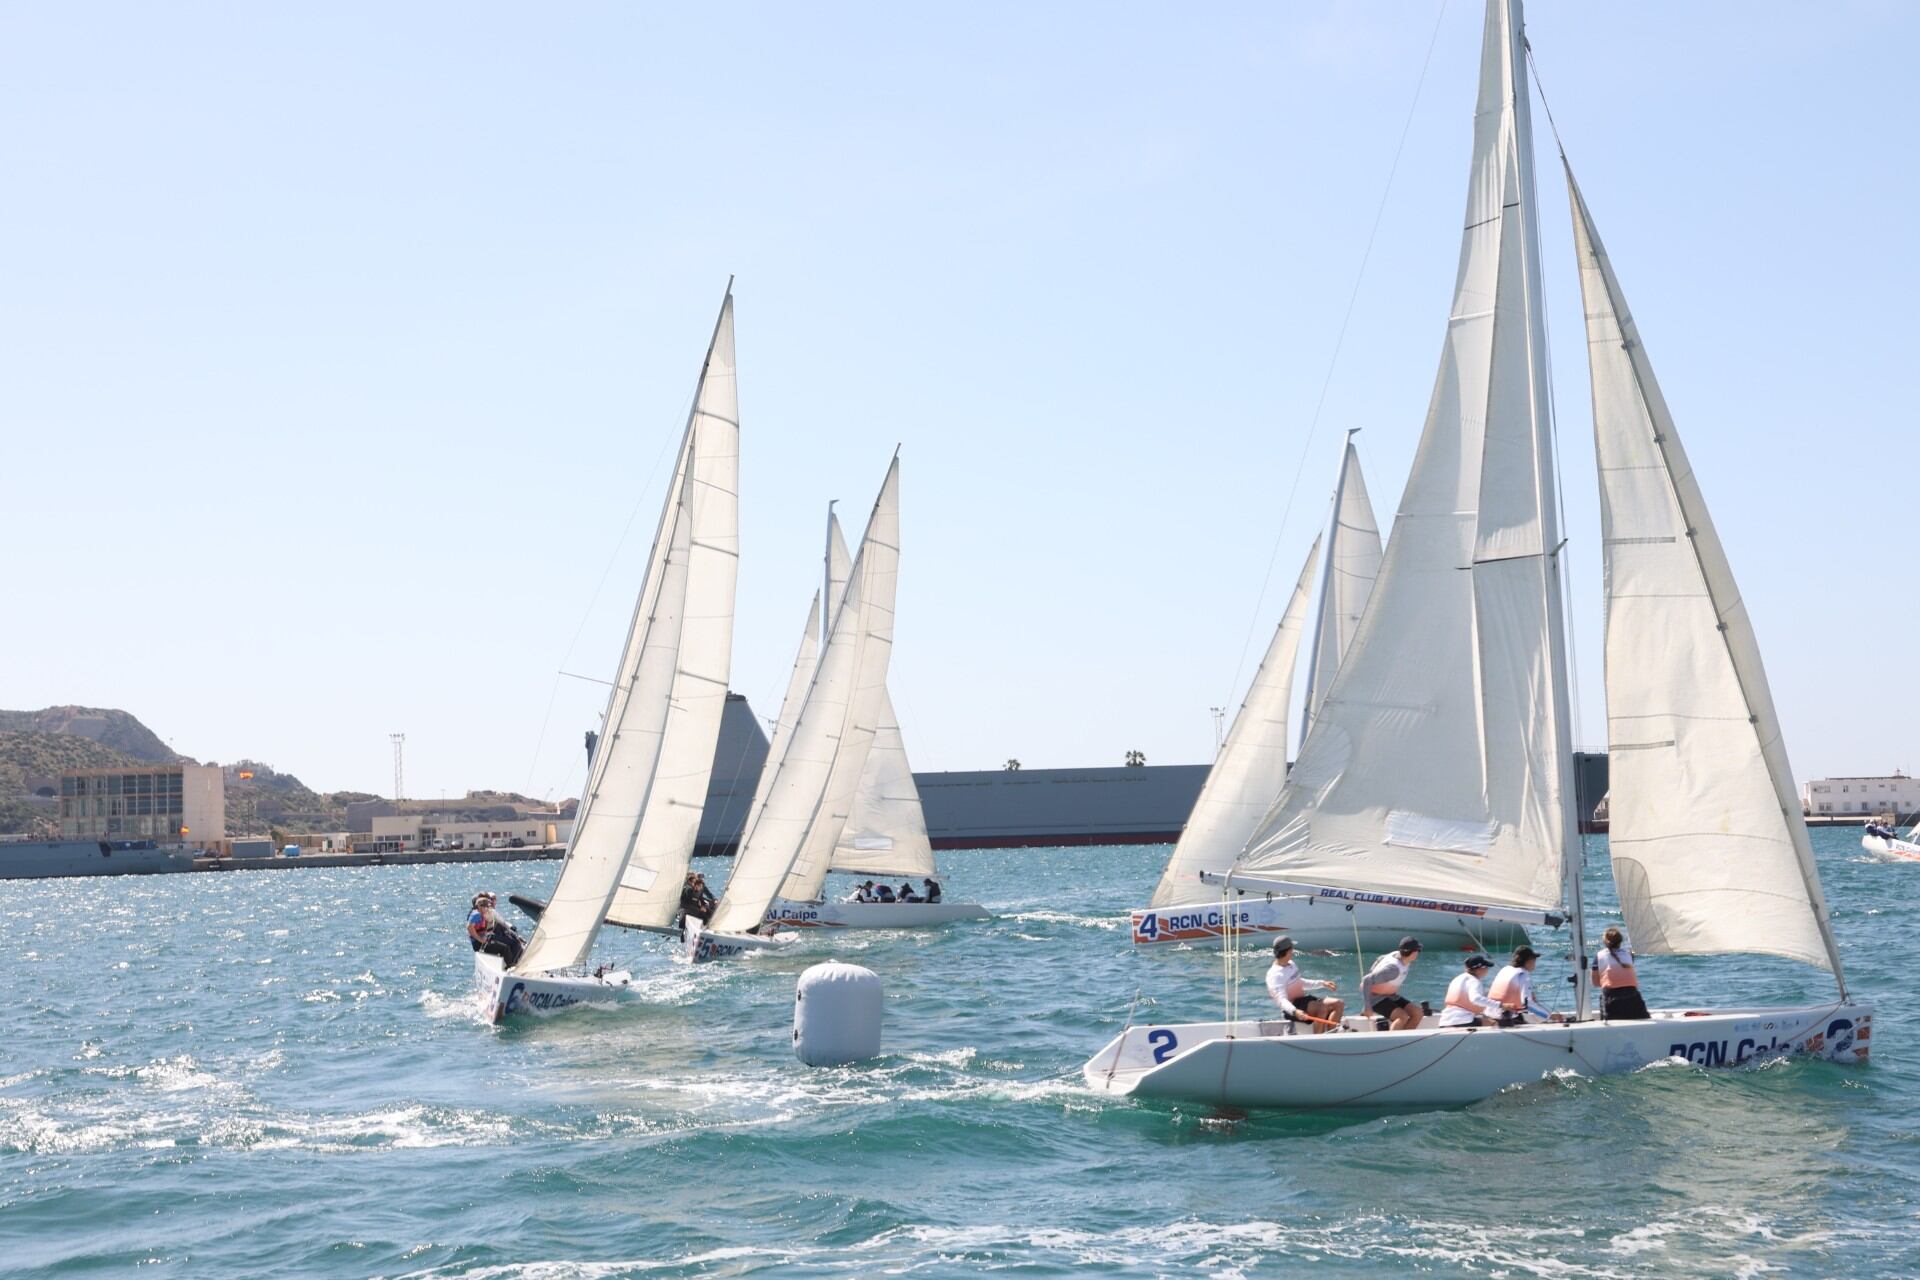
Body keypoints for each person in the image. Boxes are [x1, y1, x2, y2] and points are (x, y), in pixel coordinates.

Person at [1265, 936, 1344, 1033]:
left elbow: (1300, 982)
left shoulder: (1291, 964)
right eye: (1292, 948)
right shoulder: (1275, 974)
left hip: (1304, 1001)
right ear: (1288, 951)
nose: (1293, 951)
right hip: (1291, 1008)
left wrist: (1322, 983)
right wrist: (1295, 1011)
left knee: (1338, 1003)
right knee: (1322, 1009)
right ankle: (1319, 1042)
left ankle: (1332, 1036)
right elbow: (1281, 1000)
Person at [1488, 945, 1566, 1027]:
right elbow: (1528, 1004)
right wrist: (1550, 1016)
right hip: (1502, 1019)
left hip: (1490, 1015)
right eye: (1534, 960)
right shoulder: (1523, 974)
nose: (1535, 964)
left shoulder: (1505, 969)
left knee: (1521, 1017)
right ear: (1529, 961)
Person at [1360, 936, 1424, 1031]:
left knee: (1417, 1013)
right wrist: (1367, 1007)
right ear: (1413, 953)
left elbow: (1379, 959)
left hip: (1390, 996)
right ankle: (1393, 1042)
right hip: (1376, 998)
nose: (1418, 953)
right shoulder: (1393, 970)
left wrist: (1374, 972)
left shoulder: (1397, 954)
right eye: (1418, 950)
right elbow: (1367, 980)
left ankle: (1405, 1040)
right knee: (1402, 1017)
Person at [1593, 927, 1650, 1021]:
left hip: (1611, 999)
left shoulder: (1599, 956)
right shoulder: (1629, 954)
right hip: (1633, 997)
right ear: (1620, 941)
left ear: (1605, 942)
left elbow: (1595, 983)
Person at [1438, 953, 1500, 1028]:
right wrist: (1500, 1005)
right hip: (1463, 1020)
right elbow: (1476, 999)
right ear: (1479, 968)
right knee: (1494, 1024)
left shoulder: (1458, 978)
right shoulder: (1474, 981)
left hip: (1445, 1020)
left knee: (1484, 1019)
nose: (1487, 970)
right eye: (1486, 967)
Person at [467, 892, 524, 967]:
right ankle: (511, 966)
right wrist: (480, 939)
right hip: (481, 943)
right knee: (506, 947)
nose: (487, 907)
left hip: (487, 938)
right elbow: (469, 927)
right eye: (485, 905)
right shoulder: (476, 914)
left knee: (513, 942)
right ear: (479, 906)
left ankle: (514, 963)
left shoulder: (483, 913)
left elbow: (501, 922)